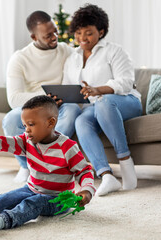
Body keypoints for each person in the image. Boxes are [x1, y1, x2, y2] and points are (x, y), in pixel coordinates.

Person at [0, 95, 95, 235]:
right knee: (5, 200)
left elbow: (84, 171)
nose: (27, 130)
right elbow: (4, 142)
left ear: (51, 122)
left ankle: (2, 221)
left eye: (31, 124)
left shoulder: (68, 147)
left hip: (57, 198)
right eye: (24, 126)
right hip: (31, 188)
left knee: (32, 203)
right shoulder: (26, 141)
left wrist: (87, 191)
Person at [62, 4, 142, 196]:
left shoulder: (115, 51)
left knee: (104, 101)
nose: (82, 38)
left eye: (88, 33)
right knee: (81, 121)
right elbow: (68, 86)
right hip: (94, 106)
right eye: (79, 33)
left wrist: (98, 89)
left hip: (125, 101)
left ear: (101, 31)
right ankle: (106, 175)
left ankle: (125, 162)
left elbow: (125, 82)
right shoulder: (72, 58)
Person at [3, 11, 82, 183]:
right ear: (33, 36)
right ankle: (27, 166)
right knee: (10, 120)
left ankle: (52, 163)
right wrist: (45, 98)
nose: (55, 37)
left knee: (73, 110)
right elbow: (14, 99)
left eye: (55, 31)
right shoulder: (20, 59)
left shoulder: (66, 51)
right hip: (34, 107)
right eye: (48, 35)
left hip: (62, 105)